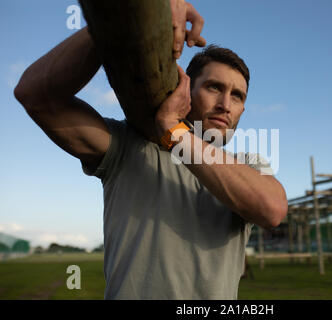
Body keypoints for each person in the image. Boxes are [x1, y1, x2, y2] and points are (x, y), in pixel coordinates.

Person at [14, 0, 288, 299]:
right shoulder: (128, 145)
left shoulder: (248, 164)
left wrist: (175, 132)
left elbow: (271, 210)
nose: (225, 104)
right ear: (186, 89)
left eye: (237, 96)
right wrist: (110, 22)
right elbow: (34, 95)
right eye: (213, 87)